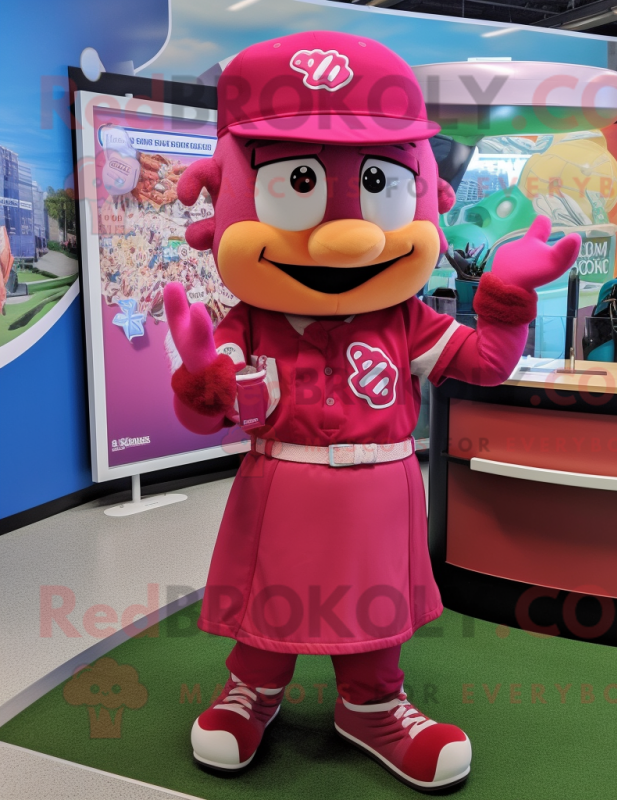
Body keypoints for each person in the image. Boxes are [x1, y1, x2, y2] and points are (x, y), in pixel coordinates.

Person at [165, 31, 580, 792]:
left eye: (382, 184)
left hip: (379, 490)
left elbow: (483, 364)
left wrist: (506, 296)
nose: (348, 236)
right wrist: (200, 378)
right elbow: (207, 414)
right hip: (279, 486)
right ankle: (252, 691)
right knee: (269, 600)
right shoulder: (247, 321)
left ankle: (372, 705)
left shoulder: (405, 318)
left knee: (373, 608)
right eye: (296, 184)